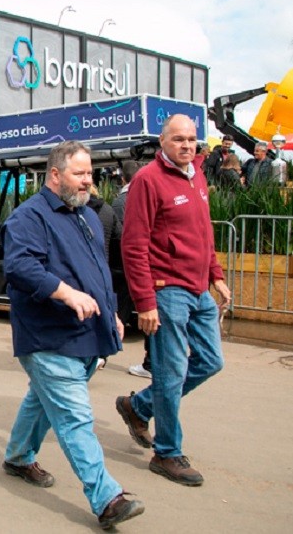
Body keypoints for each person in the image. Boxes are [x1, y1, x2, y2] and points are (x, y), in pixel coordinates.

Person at [0, 141, 143, 529]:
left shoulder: (88, 216)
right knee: (74, 417)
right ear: (55, 175)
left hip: (86, 332)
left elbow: (98, 270)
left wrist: (111, 312)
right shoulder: (29, 217)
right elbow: (21, 267)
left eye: (90, 175)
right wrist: (65, 292)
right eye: (80, 174)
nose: (87, 182)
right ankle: (107, 497)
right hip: (49, 335)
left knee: (42, 401)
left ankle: (17, 456)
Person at [117, 114, 231, 487]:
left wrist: (215, 274)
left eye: (192, 140)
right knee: (170, 371)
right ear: (162, 142)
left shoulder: (196, 174)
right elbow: (133, 245)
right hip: (167, 291)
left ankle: (140, 406)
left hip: (197, 288)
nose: (187, 145)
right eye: (178, 139)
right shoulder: (148, 181)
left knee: (211, 361)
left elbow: (203, 231)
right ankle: (167, 453)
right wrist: (145, 301)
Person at [111, 161, 150, 379]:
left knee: (121, 308)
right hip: (136, 264)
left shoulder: (121, 201)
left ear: (123, 179)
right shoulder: (140, 198)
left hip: (125, 264)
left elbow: (123, 236)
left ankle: (101, 352)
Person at [85, 186, 122, 371]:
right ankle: (102, 352)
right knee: (103, 307)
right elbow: (119, 236)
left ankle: (91, 355)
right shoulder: (107, 210)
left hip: (84, 265)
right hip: (103, 264)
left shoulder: (79, 211)